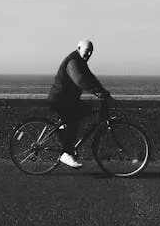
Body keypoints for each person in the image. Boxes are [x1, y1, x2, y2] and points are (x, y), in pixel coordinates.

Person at [47, 39, 112, 168]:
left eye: (91, 52)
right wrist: (97, 92)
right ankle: (66, 153)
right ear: (78, 48)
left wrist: (103, 92)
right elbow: (80, 80)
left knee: (85, 111)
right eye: (87, 51)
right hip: (60, 99)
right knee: (73, 121)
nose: (89, 54)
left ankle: (63, 130)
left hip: (68, 100)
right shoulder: (73, 61)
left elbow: (91, 78)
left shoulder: (80, 62)